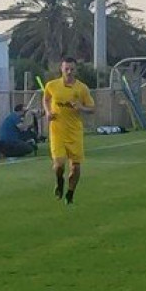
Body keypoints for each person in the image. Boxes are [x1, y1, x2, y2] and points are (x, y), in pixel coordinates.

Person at [43, 57, 96, 204]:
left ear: (76, 70)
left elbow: (92, 108)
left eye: (72, 69)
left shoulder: (82, 88)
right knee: (59, 164)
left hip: (74, 132)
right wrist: (48, 112)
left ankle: (70, 193)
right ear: (61, 68)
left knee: (75, 167)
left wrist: (81, 108)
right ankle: (59, 181)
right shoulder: (52, 85)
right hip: (57, 130)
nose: (69, 72)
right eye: (66, 69)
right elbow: (46, 98)